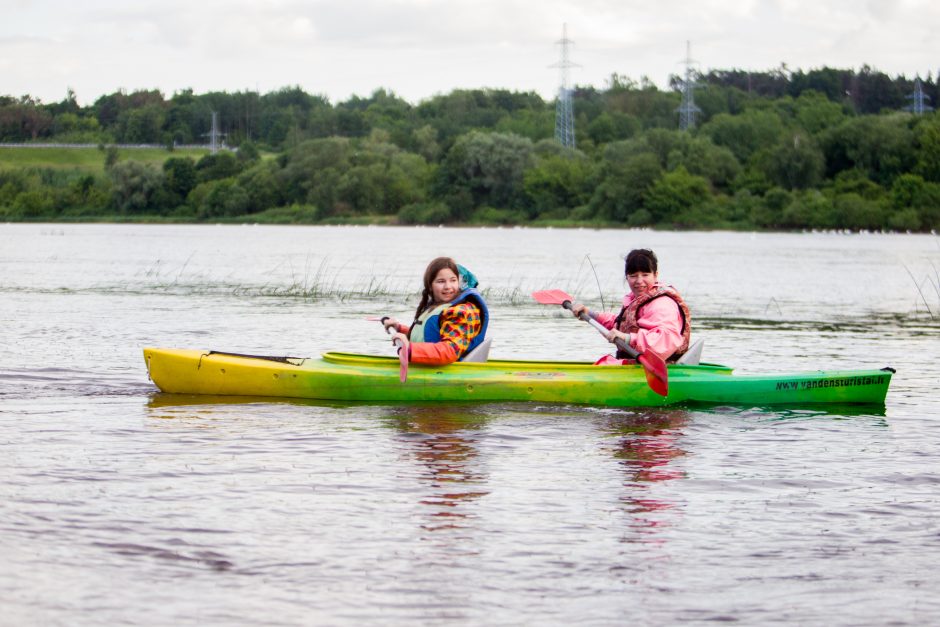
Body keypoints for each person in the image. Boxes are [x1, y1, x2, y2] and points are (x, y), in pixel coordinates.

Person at [571, 248, 690, 362]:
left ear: (655, 275)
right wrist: (590, 314)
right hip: (633, 365)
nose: (639, 281)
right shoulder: (638, 300)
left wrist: (627, 338)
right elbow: (620, 324)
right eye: (633, 276)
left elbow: (665, 340)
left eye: (645, 274)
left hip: (663, 367)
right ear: (627, 277)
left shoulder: (662, 304)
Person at [382, 257, 489, 365]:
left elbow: (450, 351)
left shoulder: (461, 312)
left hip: (449, 372)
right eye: (441, 281)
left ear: (458, 282)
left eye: (453, 280)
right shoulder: (438, 306)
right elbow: (429, 335)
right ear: (430, 286)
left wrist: (410, 349)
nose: (448, 286)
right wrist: (399, 328)